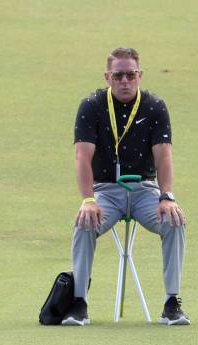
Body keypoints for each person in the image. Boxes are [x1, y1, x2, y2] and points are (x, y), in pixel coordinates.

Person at [62, 47, 189, 326]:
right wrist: (88, 200)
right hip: (106, 190)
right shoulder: (92, 106)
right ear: (108, 76)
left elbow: (163, 155)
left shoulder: (154, 106)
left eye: (130, 75)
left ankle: (172, 302)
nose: (124, 81)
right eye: (118, 75)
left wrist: (167, 196)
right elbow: (82, 157)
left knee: (175, 219)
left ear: (139, 75)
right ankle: (79, 302)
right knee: (84, 222)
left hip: (145, 190)